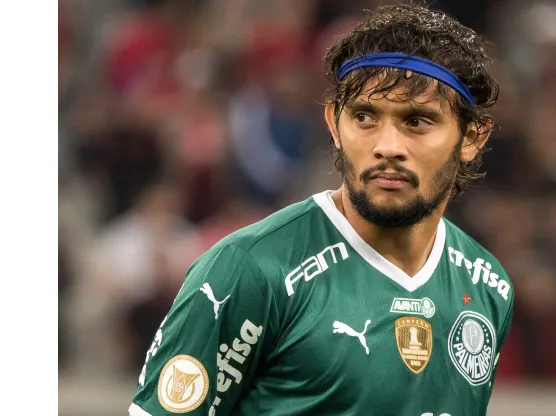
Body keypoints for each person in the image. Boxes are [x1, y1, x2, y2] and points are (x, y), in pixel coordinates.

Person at [129, 4, 514, 415]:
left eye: (417, 121)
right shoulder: (250, 269)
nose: (387, 146)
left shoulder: (488, 286)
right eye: (364, 117)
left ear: (472, 137)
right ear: (333, 124)